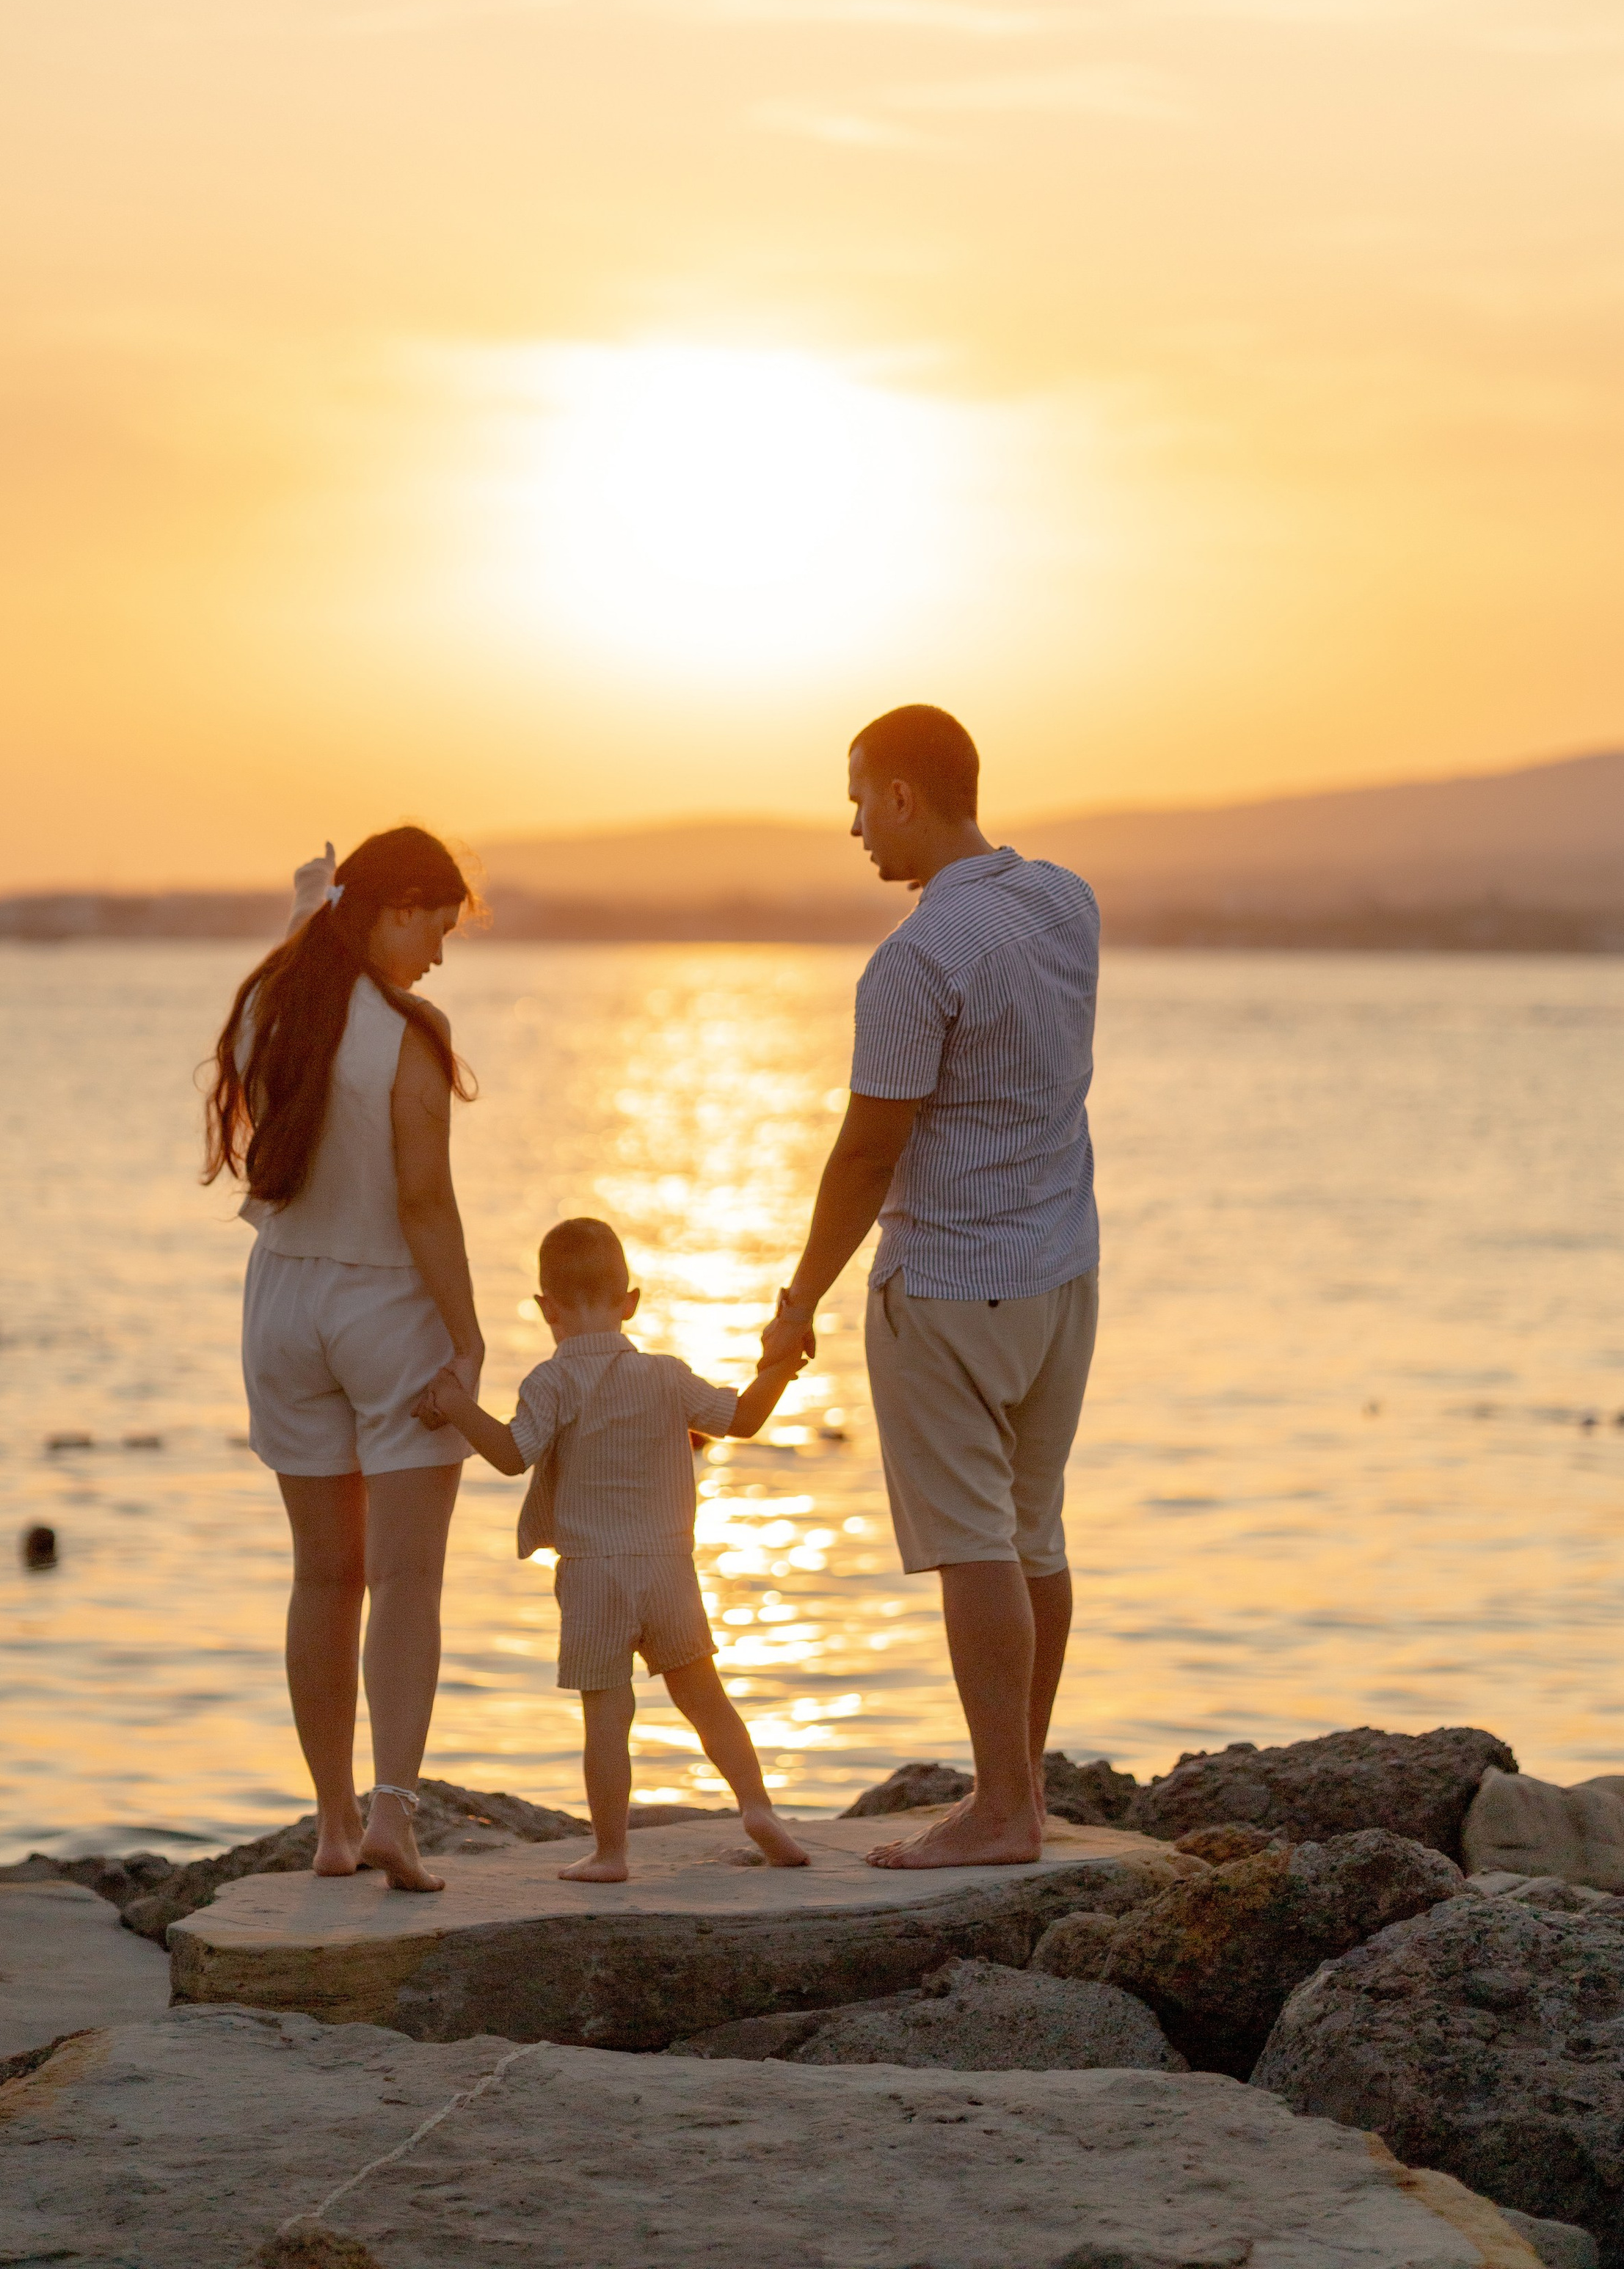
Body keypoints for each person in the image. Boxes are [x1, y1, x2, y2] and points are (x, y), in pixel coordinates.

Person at [761, 704, 1100, 1871]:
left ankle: (1001, 1810)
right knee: (1033, 1537)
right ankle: (1022, 1791)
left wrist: (800, 1294)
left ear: (904, 794)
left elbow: (867, 1152)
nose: (853, 825)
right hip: (1061, 1273)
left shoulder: (914, 961)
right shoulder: (1066, 900)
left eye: (860, 797)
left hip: (951, 1283)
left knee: (975, 1547)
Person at [203, 826, 484, 1892]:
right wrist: (467, 1334)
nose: (441, 957)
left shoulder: (273, 1006)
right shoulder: (410, 1030)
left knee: (323, 1576)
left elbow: (307, 946)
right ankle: (394, 1818)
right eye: (437, 928)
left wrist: (313, 898)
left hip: (281, 1304)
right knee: (407, 1578)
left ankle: (329, 1823)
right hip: (383, 1305)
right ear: (397, 908)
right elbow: (423, 1200)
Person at [413, 1216, 812, 1884]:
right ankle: (758, 1806)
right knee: (706, 1700)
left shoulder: (550, 1382)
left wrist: (455, 1403)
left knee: (608, 1717)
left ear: (547, 1309)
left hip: (594, 1574)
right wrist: (779, 1366)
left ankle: (611, 1854)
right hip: (668, 1569)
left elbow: (512, 1455)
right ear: (631, 1301)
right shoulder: (666, 1375)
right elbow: (741, 1419)